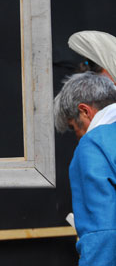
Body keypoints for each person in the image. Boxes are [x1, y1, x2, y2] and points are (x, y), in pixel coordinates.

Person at [53, 71, 116, 265]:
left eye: (73, 127)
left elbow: (103, 233)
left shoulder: (93, 145)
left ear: (85, 111)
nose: (78, 136)